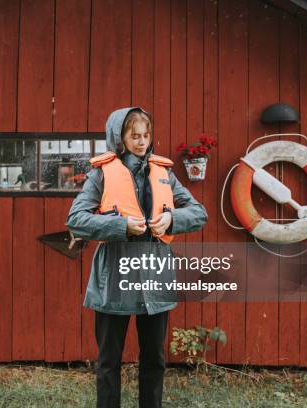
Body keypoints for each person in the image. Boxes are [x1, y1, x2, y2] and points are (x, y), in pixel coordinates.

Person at [66, 107, 208, 408]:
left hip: (155, 278)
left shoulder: (164, 173)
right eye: (134, 136)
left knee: (154, 361)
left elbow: (199, 213)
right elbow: (76, 219)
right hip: (113, 280)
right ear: (119, 137)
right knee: (108, 363)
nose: (142, 142)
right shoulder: (101, 174)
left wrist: (171, 219)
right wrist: (120, 226)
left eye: (146, 135)